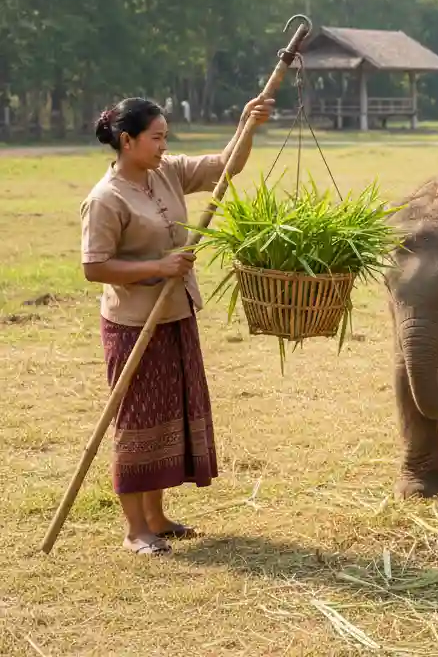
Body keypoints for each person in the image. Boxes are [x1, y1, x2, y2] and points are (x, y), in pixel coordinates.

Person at [80, 95, 273, 556]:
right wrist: (159, 267)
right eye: (157, 137)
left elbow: (227, 165)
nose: (165, 145)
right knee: (138, 421)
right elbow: (94, 267)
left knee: (170, 415)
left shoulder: (165, 172)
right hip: (134, 324)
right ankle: (134, 530)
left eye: (167, 137)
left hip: (177, 313)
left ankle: (157, 517)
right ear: (127, 141)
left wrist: (248, 122)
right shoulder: (105, 199)